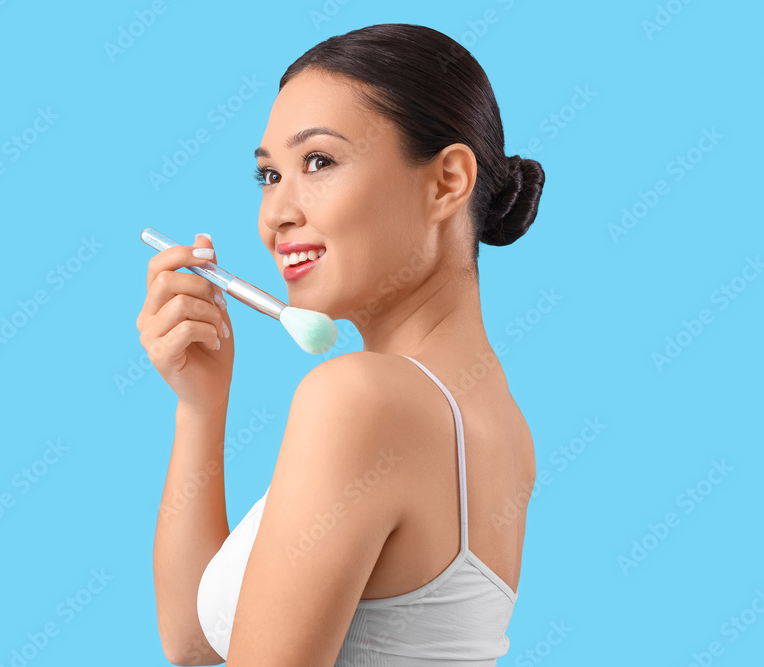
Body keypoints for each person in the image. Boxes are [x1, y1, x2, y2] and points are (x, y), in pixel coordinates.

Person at [137, 22, 544, 666]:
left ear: (447, 181)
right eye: (269, 176)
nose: (277, 216)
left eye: (318, 162)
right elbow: (196, 642)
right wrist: (201, 403)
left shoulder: (362, 398)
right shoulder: (494, 422)